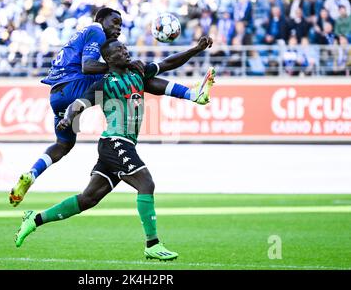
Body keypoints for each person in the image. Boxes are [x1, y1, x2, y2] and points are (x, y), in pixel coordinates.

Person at [14, 38, 216, 261]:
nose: (125, 52)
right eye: (119, 50)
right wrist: (69, 117)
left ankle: (35, 219)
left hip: (122, 144)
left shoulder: (137, 73)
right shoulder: (103, 84)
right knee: (146, 183)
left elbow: (168, 63)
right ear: (108, 58)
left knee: (88, 199)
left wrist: (196, 49)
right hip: (114, 142)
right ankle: (152, 244)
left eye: (125, 48)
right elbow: (80, 103)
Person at [9, 7, 214, 207]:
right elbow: (87, 66)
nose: (118, 28)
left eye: (121, 25)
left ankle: (31, 174)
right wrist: (123, 66)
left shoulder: (82, 35)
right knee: (136, 75)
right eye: (115, 22)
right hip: (75, 86)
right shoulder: (96, 30)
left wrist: (69, 118)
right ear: (102, 19)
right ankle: (191, 94)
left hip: (57, 95)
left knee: (63, 145)